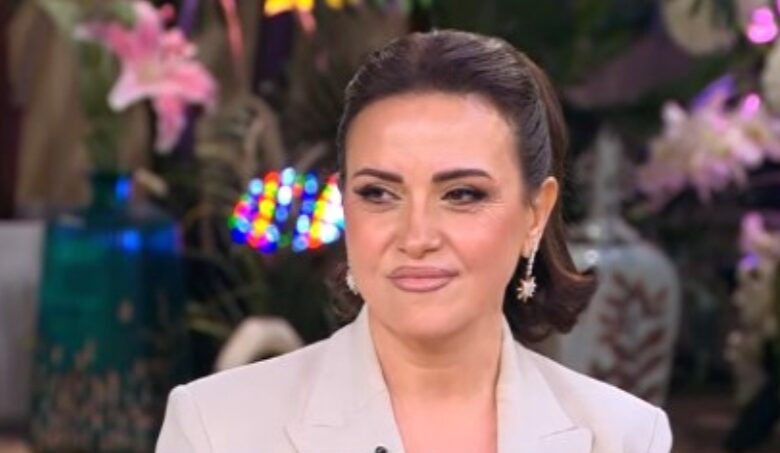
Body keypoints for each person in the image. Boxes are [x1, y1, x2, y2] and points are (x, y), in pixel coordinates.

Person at [156, 29, 672, 453]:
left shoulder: (624, 436)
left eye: (462, 194)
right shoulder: (215, 428)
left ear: (535, 214)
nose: (417, 236)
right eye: (379, 193)